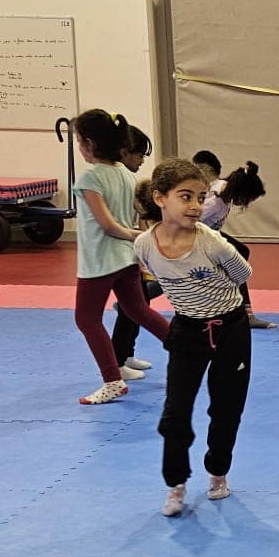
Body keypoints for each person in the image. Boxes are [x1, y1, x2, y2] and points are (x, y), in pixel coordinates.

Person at [133, 158, 254, 515]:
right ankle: (176, 484)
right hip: (187, 331)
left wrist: (213, 293)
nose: (196, 206)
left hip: (230, 329)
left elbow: (242, 272)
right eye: (185, 197)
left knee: (226, 407)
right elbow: (159, 275)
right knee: (175, 412)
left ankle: (218, 471)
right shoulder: (143, 245)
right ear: (160, 198)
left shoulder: (212, 243)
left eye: (201, 197)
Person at [70, 109, 170, 405]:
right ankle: (187, 348)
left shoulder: (90, 178)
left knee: (86, 319)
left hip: (100, 261)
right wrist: (138, 245)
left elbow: (107, 224)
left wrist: (136, 237)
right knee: (138, 309)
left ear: (88, 143)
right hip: (126, 260)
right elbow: (135, 217)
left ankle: (112, 380)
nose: (79, 147)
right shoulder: (126, 174)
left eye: (78, 141)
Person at [111, 127, 163, 381]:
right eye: (139, 154)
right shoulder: (117, 180)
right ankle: (117, 361)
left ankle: (127, 354)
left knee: (140, 304)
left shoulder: (130, 181)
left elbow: (141, 217)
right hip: (120, 253)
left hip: (132, 251)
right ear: (124, 152)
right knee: (131, 308)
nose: (142, 160)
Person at [202, 160, 274, 329]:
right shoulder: (215, 203)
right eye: (249, 199)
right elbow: (187, 223)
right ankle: (243, 311)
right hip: (195, 238)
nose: (247, 204)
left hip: (209, 235)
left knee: (240, 253)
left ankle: (243, 309)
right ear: (242, 192)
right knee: (236, 258)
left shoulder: (224, 188)